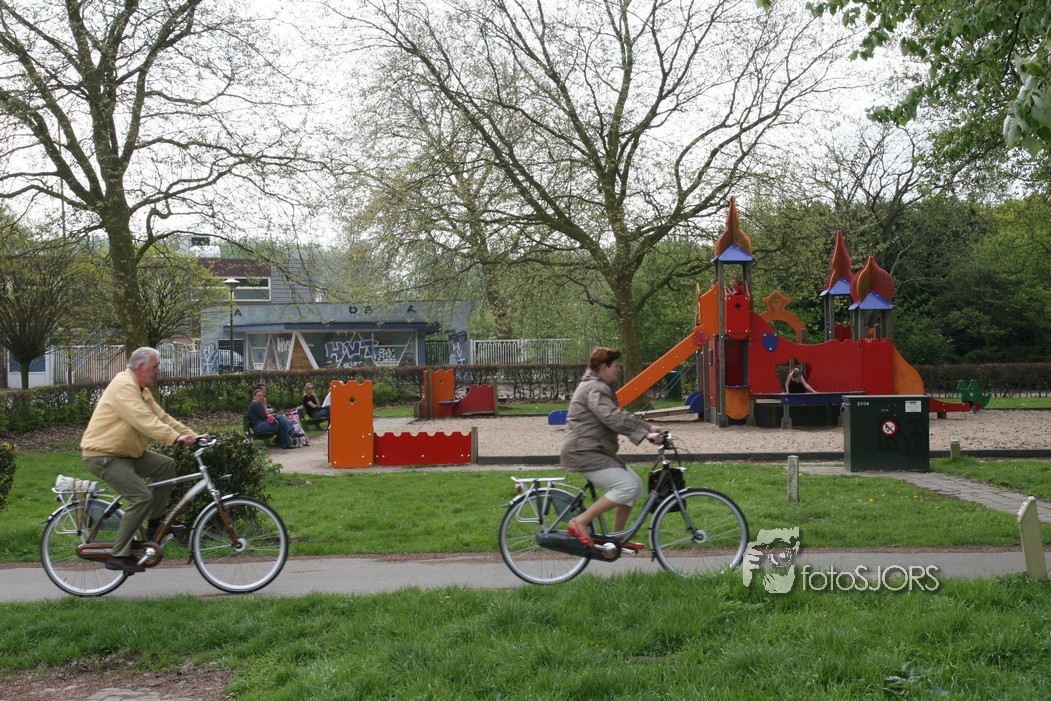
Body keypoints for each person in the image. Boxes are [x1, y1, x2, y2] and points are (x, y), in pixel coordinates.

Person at [80, 347, 203, 574]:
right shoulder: (123, 386)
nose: (158, 371)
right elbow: (143, 419)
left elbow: (162, 417)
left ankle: (155, 526)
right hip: (104, 455)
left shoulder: (141, 389)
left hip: (127, 453)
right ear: (141, 367)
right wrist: (175, 438)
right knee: (141, 497)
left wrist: (193, 436)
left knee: (166, 466)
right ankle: (118, 555)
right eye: (155, 366)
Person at [560, 347, 664, 552]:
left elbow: (618, 414)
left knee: (634, 486)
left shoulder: (598, 386)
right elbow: (611, 417)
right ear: (603, 367)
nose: (619, 369)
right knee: (627, 487)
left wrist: (648, 428)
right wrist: (645, 435)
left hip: (595, 450)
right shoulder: (595, 388)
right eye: (616, 365)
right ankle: (580, 521)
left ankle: (617, 538)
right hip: (584, 452)